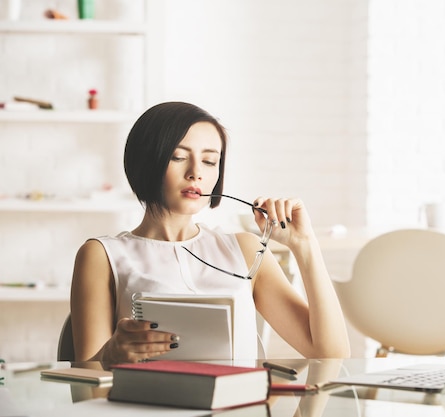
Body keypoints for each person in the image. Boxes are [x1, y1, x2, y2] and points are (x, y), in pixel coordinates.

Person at [70, 101, 351, 364]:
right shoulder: (101, 255)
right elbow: (85, 386)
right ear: (146, 161)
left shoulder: (245, 250)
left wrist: (305, 246)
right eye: (178, 157)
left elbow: (331, 355)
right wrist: (109, 356)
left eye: (209, 161)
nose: (195, 173)